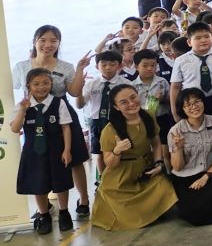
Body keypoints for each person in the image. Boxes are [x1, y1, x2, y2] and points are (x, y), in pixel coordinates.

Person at [13, 25, 91, 218]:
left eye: (53, 41)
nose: (48, 45)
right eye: (43, 40)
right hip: (34, 115)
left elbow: (73, 92)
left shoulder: (65, 66)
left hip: (61, 113)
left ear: (58, 44)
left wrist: (80, 69)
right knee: (39, 159)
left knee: (75, 159)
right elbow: (15, 91)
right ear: (34, 41)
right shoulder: (21, 66)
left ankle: (84, 199)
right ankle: (44, 207)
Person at [91, 84, 178, 231]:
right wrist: (117, 151)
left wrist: (158, 164)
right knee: (123, 209)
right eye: (124, 102)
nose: (131, 103)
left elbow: (156, 144)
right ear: (117, 107)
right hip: (121, 176)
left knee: (164, 187)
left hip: (145, 168)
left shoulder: (148, 116)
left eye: (133, 97)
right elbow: (110, 164)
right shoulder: (110, 130)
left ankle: (148, 211)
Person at [11, 69, 76, 234]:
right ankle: (44, 215)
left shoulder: (58, 103)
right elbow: (15, 128)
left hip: (56, 150)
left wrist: (67, 150)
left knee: (61, 183)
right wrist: (22, 110)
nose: (41, 87)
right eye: (36, 84)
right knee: (37, 184)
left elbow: (66, 128)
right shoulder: (22, 105)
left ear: (51, 83)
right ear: (28, 86)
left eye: (46, 83)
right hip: (33, 152)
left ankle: (64, 212)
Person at [166, 88, 212, 226]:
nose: (194, 106)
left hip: (208, 172)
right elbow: (177, 167)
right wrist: (178, 148)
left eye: (197, 101)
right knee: (195, 214)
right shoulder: (176, 131)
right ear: (182, 109)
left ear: (203, 102)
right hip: (185, 177)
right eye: (188, 104)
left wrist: (206, 176)